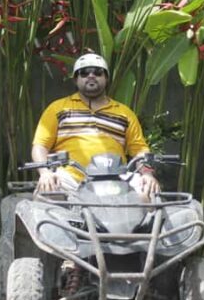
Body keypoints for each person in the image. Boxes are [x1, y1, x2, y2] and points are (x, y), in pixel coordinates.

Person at [31, 52, 159, 196]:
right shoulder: (58, 108)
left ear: (106, 78)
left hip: (117, 179)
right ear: (76, 79)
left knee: (148, 191)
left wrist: (147, 174)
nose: (91, 76)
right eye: (84, 73)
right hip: (69, 178)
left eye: (98, 72)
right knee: (47, 193)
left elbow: (140, 150)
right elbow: (40, 146)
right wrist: (45, 172)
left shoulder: (125, 113)